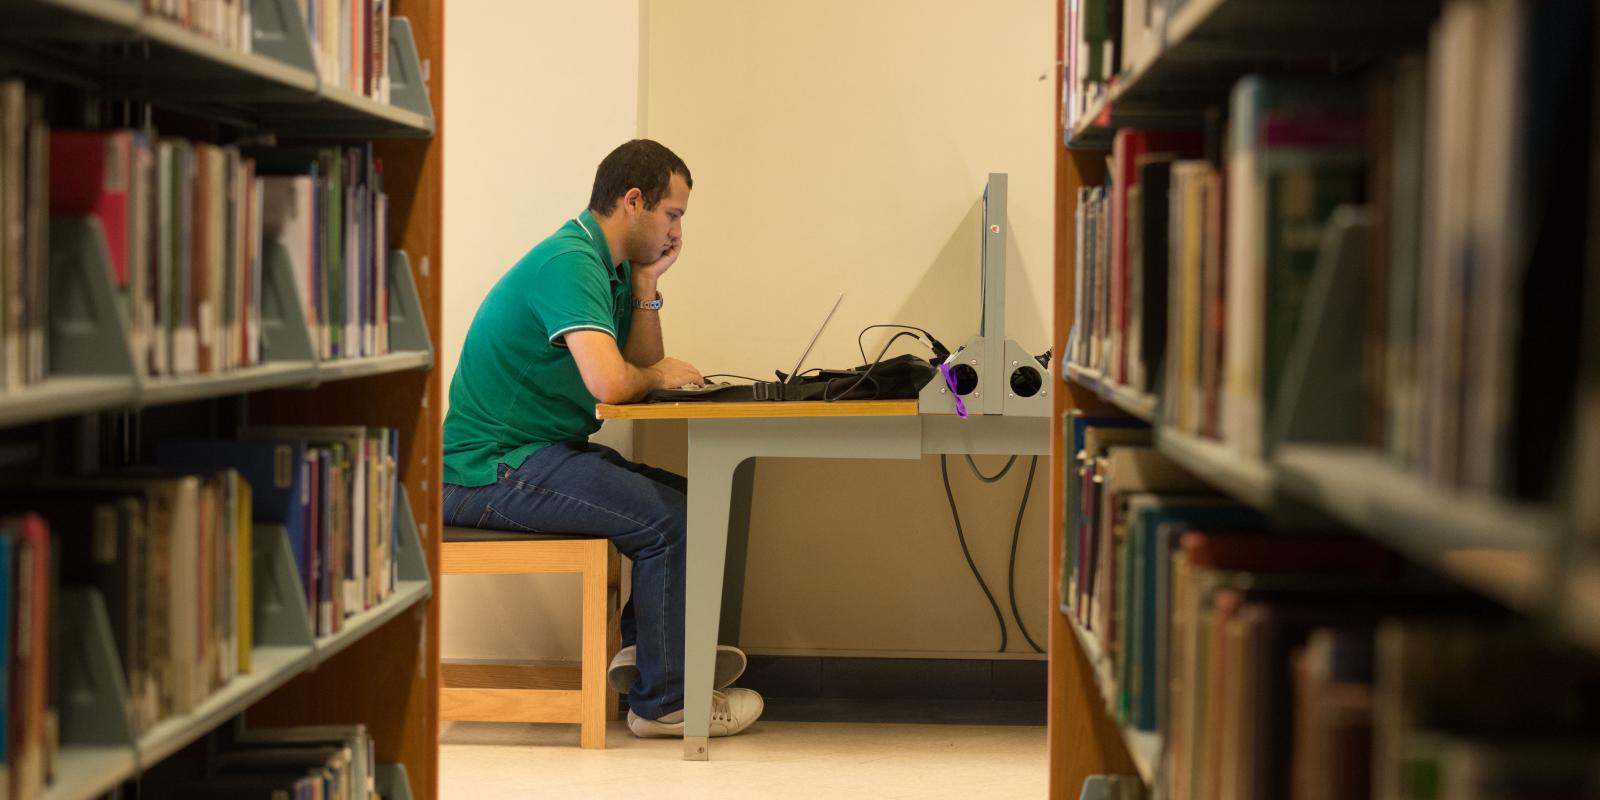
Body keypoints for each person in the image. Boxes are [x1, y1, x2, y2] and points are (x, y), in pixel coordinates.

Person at [441, 140, 762, 738]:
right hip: (485, 470)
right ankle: (664, 704)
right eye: (673, 214)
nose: (676, 231)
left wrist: (646, 280)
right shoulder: (569, 262)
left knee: (698, 501)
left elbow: (638, 366)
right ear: (634, 201)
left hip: (536, 454)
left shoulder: (609, 267)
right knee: (673, 521)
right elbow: (617, 383)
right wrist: (657, 375)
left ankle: (649, 659)